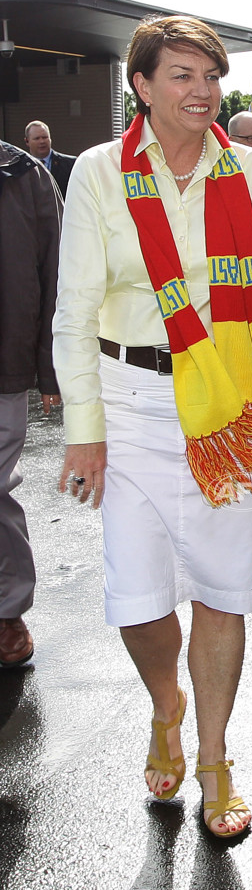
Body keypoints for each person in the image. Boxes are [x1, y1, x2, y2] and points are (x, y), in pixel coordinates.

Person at [52, 15, 252, 838]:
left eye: (210, 76)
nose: (202, 92)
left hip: (234, 408)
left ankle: (213, 755)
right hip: (128, 406)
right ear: (142, 86)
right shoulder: (98, 173)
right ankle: (167, 702)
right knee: (137, 594)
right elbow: (73, 311)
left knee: (226, 588)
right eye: (182, 76)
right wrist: (84, 428)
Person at [0, 139, 62, 667]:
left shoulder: (22, 175)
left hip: (4, 363)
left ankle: (6, 610)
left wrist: (49, 367)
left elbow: (54, 276)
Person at [24, 120, 76, 199]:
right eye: (37, 138)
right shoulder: (22, 168)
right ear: (27, 141)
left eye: (45, 137)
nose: (42, 141)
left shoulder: (70, 164)